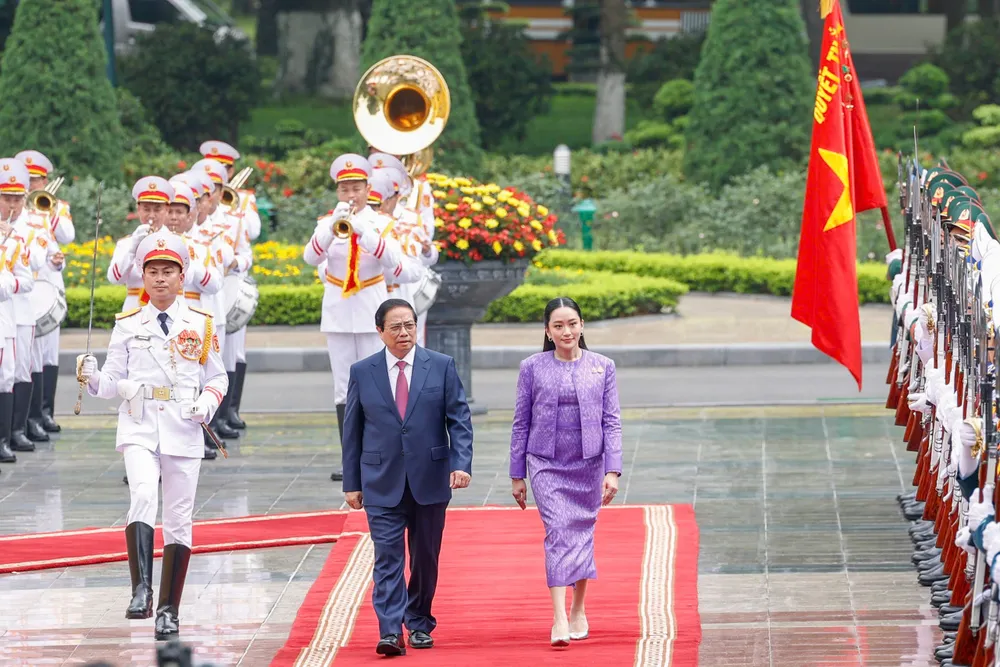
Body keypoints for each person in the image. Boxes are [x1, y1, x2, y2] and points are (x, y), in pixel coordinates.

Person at [76, 229, 228, 641]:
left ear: (182, 277)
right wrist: (91, 378)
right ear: (142, 277)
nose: (160, 278)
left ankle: (168, 610)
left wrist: (207, 403)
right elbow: (111, 382)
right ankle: (141, 589)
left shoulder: (200, 323)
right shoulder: (127, 324)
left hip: (183, 424)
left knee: (179, 518)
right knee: (143, 494)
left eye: (168, 271)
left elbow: (218, 376)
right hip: (139, 423)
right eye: (152, 271)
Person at [341, 298, 473, 656]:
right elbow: (351, 431)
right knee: (387, 556)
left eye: (410, 325)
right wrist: (351, 482)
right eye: (396, 327)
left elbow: (458, 419)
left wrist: (461, 464)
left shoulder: (441, 366)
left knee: (425, 557)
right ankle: (389, 631)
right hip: (381, 480)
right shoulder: (362, 371)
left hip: (430, 479)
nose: (404, 332)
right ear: (380, 331)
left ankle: (418, 621)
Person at [508, 296, 623, 647]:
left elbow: (612, 421)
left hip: (589, 464)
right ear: (547, 330)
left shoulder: (603, 366)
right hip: (546, 464)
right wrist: (517, 474)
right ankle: (558, 617)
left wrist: (612, 470)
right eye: (558, 325)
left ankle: (578, 609)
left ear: (582, 325)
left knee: (581, 532)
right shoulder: (532, 367)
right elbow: (520, 422)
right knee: (559, 530)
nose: (566, 331)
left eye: (572, 323)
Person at [303, 154, 419, 483]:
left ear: (368, 188)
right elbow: (311, 256)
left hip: (372, 309)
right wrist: (331, 229)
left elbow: (394, 261)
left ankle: (382, 455)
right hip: (339, 311)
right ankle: (351, 459)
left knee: (379, 385)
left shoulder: (382, 224)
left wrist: (364, 231)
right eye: (344, 189)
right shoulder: (327, 223)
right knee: (343, 389)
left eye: (356, 188)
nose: (350, 194)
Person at [16, 150, 73, 435]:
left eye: (35, 180)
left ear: (45, 180)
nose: (30, 185)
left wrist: (46, 212)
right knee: (28, 355)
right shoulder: (14, 210)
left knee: (48, 353)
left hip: (47, 285)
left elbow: (67, 236)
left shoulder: (55, 206)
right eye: (26, 180)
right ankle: (28, 417)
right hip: (22, 285)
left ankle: (45, 412)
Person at [0, 159, 36, 467]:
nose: (12, 204)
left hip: (4, 317)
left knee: (6, 377)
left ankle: (3, 439)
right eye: (6, 198)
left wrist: (6, 282)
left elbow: (27, 280)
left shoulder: (17, 241)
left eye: (16, 198)